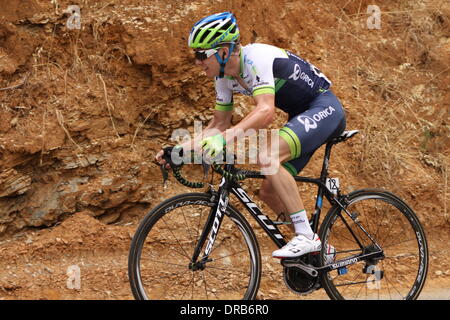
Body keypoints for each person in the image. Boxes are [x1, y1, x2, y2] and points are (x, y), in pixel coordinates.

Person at [155, 12, 346, 259]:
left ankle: (305, 237)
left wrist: (224, 139)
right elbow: (219, 124)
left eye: (201, 54)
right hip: (301, 116)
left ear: (223, 51)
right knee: (268, 192)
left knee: (267, 156)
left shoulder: (256, 58)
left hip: (324, 108)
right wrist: (180, 151)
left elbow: (265, 111)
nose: (197, 62)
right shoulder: (223, 77)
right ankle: (319, 247)